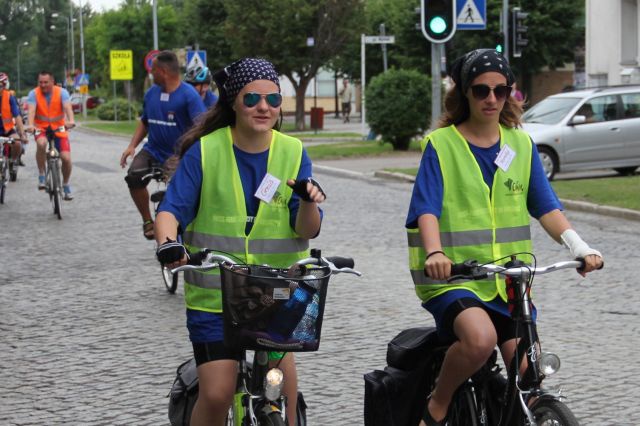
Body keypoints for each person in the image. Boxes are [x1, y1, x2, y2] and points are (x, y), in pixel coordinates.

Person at [405, 49, 603, 426]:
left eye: (501, 90)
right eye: (481, 91)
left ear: (511, 92)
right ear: (465, 93)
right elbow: (425, 209)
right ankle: (438, 403)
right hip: (454, 279)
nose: (491, 99)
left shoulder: (521, 144)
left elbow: (546, 207)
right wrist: (434, 252)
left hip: (509, 282)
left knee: (529, 374)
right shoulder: (441, 144)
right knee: (479, 341)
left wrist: (580, 247)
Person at [154, 57, 326, 426]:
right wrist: (168, 243)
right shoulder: (206, 151)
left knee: (283, 396)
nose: (264, 107)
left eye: (272, 99)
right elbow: (170, 211)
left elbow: (307, 230)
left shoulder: (293, 152)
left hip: (278, 294)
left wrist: (309, 202)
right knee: (216, 395)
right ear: (233, 101)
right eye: (252, 99)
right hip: (215, 297)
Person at [119, 50, 206, 240]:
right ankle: (148, 221)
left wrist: (188, 154)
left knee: (181, 193)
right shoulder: (151, 93)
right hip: (153, 151)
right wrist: (132, 145)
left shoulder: (189, 96)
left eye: (154, 70)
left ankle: (182, 229)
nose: (152, 73)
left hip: (179, 155)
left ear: (163, 71)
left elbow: (202, 128)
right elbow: (145, 121)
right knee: (134, 176)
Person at [25, 71, 75, 200]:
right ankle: (42, 175)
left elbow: (68, 108)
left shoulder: (61, 92)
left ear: (52, 82)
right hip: (40, 128)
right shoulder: (33, 94)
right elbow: (31, 111)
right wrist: (30, 125)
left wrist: (71, 121)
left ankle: (65, 185)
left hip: (59, 129)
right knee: (41, 143)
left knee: (66, 158)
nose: (42, 85)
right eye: (40, 82)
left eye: (46, 82)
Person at [0, 72, 26, 165]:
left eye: (1, 85)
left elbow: (17, 116)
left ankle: (13, 161)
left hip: (8, 131)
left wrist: (22, 134)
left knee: (17, 144)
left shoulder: (9, 97)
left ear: (5, 85)